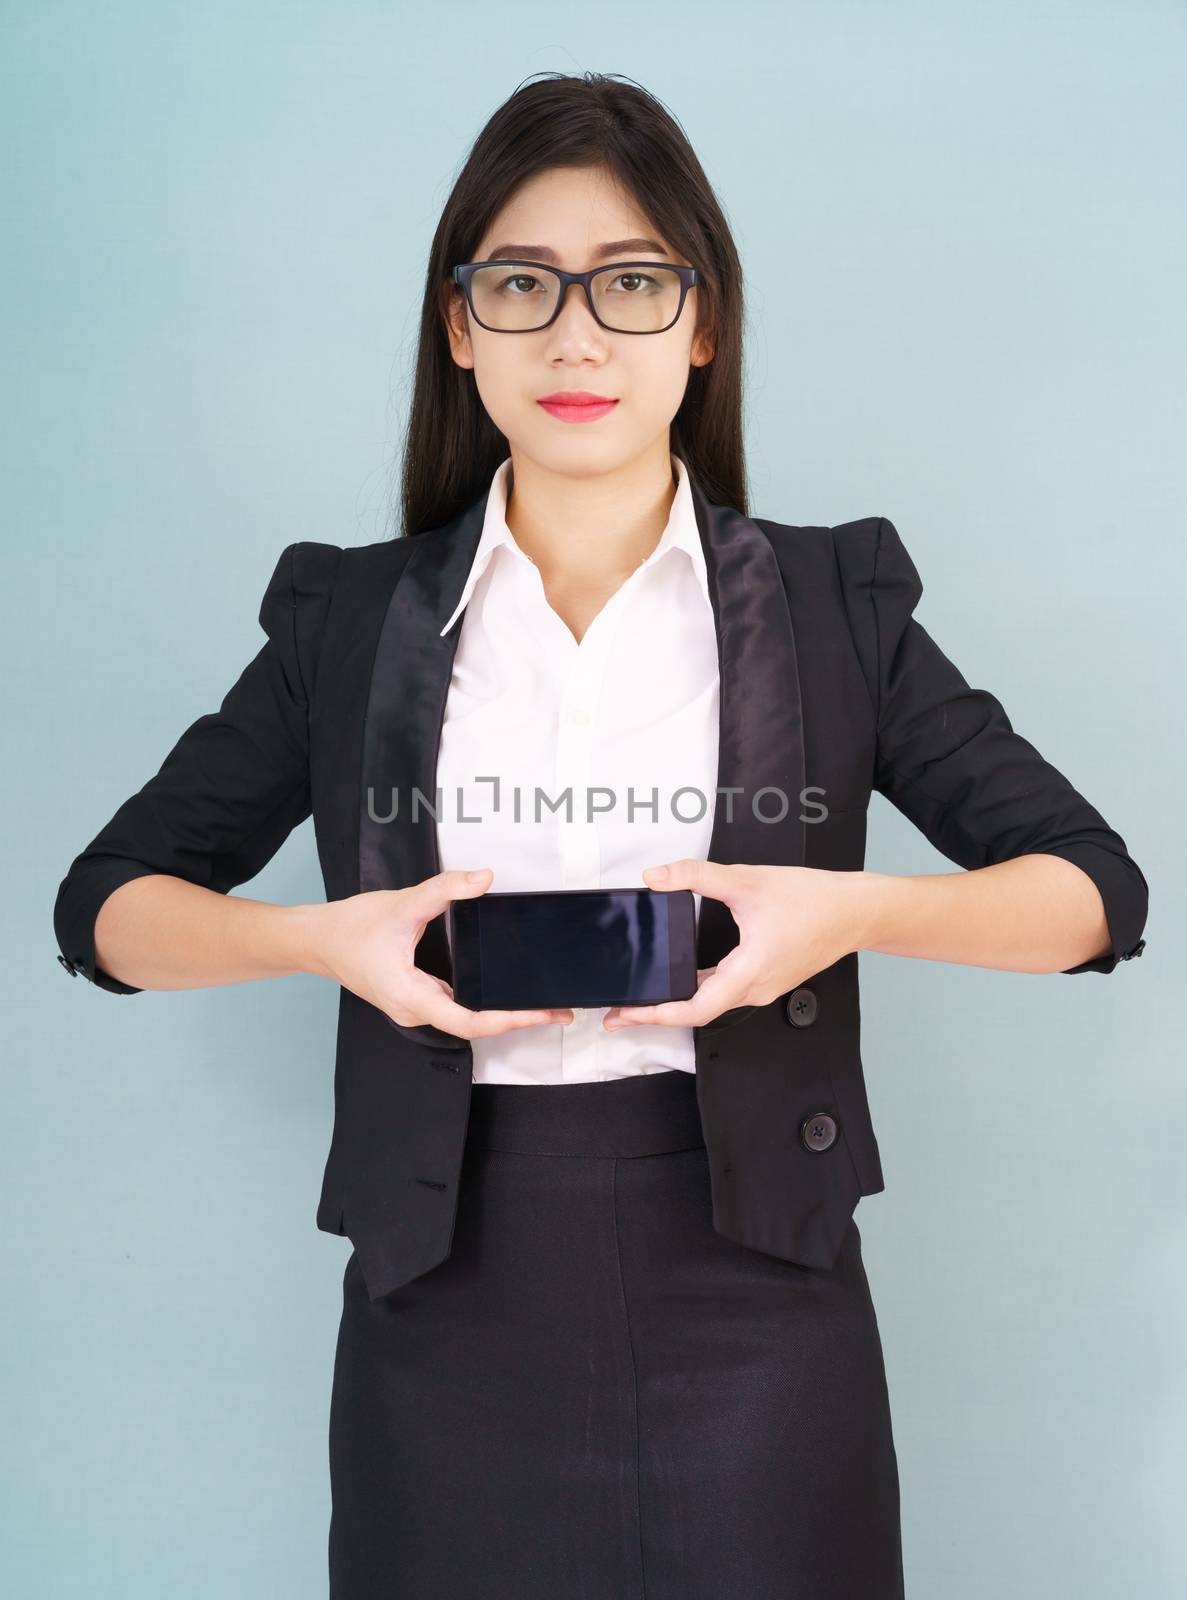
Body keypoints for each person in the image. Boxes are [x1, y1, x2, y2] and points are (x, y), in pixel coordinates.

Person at [53, 71, 1149, 1600]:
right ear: (459, 325)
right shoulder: (347, 617)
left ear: (702, 323)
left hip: (760, 1276)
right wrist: (318, 945)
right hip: (444, 1278)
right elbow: (106, 908)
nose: (575, 334)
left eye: (631, 282)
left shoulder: (836, 605)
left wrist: (847, 915)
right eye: (522, 283)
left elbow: (1094, 894)